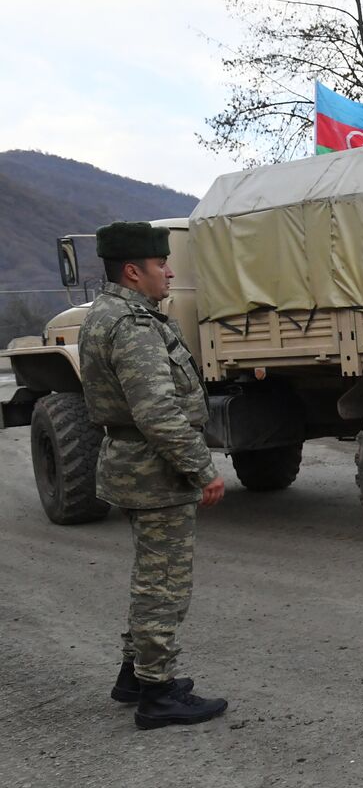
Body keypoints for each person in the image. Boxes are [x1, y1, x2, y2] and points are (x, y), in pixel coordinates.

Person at [79, 221, 229, 730]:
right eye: (160, 264)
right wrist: (201, 468)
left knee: (152, 577)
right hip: (153, 472)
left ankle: (134, 676)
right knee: (163, 584)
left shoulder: (112, 314)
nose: (168, 272)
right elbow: (157, 412)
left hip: (136, 466)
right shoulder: (132, 325)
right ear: (132, 271)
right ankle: (157, 694)